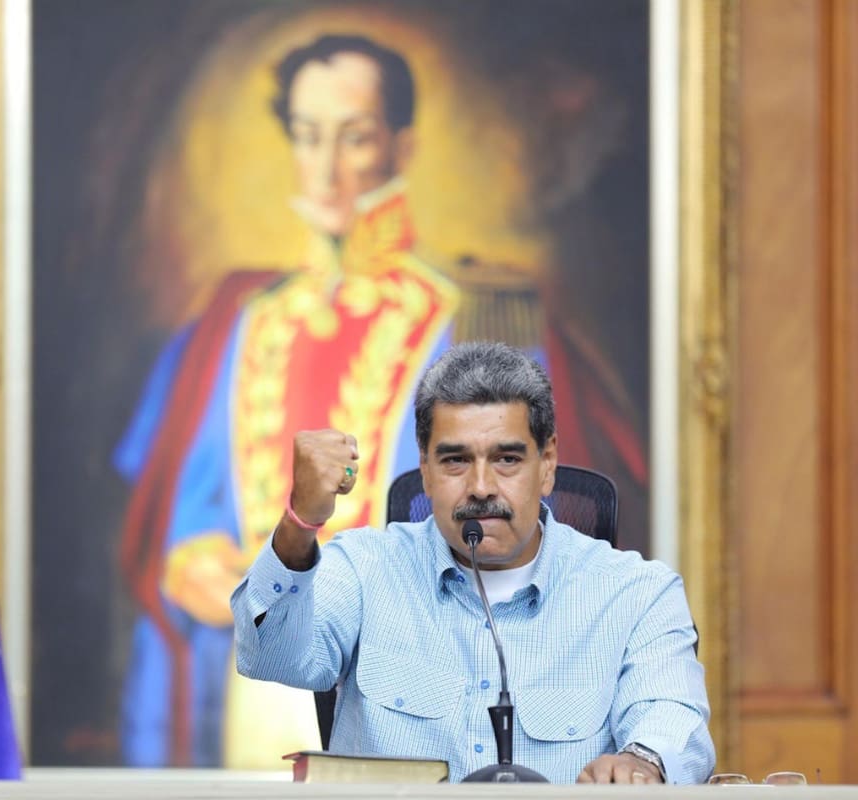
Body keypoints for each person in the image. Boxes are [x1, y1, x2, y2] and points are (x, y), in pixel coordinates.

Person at [115, 33, 647, 768]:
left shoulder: (481, 318)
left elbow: (539, 533)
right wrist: (195, 556)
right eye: (308, 136)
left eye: (354, 138)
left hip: (430, 689)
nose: (327, 167)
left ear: (400, 147)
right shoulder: (240, 319)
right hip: (250, 685)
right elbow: (185, 505)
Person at [231, 341, 714, 783]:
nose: (481, 487)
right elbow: (269, 654)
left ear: (546, 465)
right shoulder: (364, 568)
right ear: (425, 470)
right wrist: (300, 522)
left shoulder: (637, 593)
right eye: (455, 461)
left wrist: (641, 762)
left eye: (506, 459)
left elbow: (672, 717)